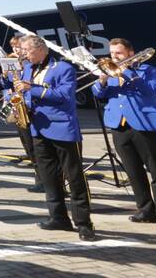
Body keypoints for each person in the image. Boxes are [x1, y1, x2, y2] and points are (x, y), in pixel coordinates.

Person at [15, 34, 96, 241]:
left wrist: (32, 90)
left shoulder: (63, 68)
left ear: (41, 49)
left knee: (74, 177)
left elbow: (64, 96)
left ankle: (84, 223)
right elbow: (24, 94)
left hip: (62, 130)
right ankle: (58, 217)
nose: (24, 55)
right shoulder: (27, 69)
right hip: (38, 130)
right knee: (49, 177)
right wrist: (14, 98)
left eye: (27, 51)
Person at [91, 38, 156, 228]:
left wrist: (126, 71)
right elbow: (98, 94)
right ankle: (145, 210)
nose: (114, 57)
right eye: (112, 54)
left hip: (146, 125)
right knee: (133, 172)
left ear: (130, 53)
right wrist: (102, 81)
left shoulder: (148, 71)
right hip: (119, 126)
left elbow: (150, 92)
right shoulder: (110, 72)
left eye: (118, 53)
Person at [2, 34, 42, 192]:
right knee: (28, 146)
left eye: (19, 47)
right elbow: (7, 84)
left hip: (31, 107)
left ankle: (42, 180)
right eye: (14, 47)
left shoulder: (31, 65)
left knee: (36, 147)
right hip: (19, 107)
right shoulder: (15, 63)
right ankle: (39, 177)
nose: (16, 50)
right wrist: (4, 75)